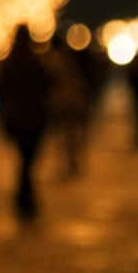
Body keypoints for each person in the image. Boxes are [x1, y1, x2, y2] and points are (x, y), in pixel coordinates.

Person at [0, 24, 51, 218]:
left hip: (16, 119)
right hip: (33, 119)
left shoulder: (9, 62)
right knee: (28, 160)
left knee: (23, 159)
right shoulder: (36, 61)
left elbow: (0, 88)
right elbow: (47, 86)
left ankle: (23, 196)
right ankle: (25, 197)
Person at [46, 28, 93, 178]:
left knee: (66, 135)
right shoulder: (70, 58)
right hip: (73, 101)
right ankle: (74, 162)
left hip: (64, 102)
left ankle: (71, 163)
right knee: (74, 134)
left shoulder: (54, 61)